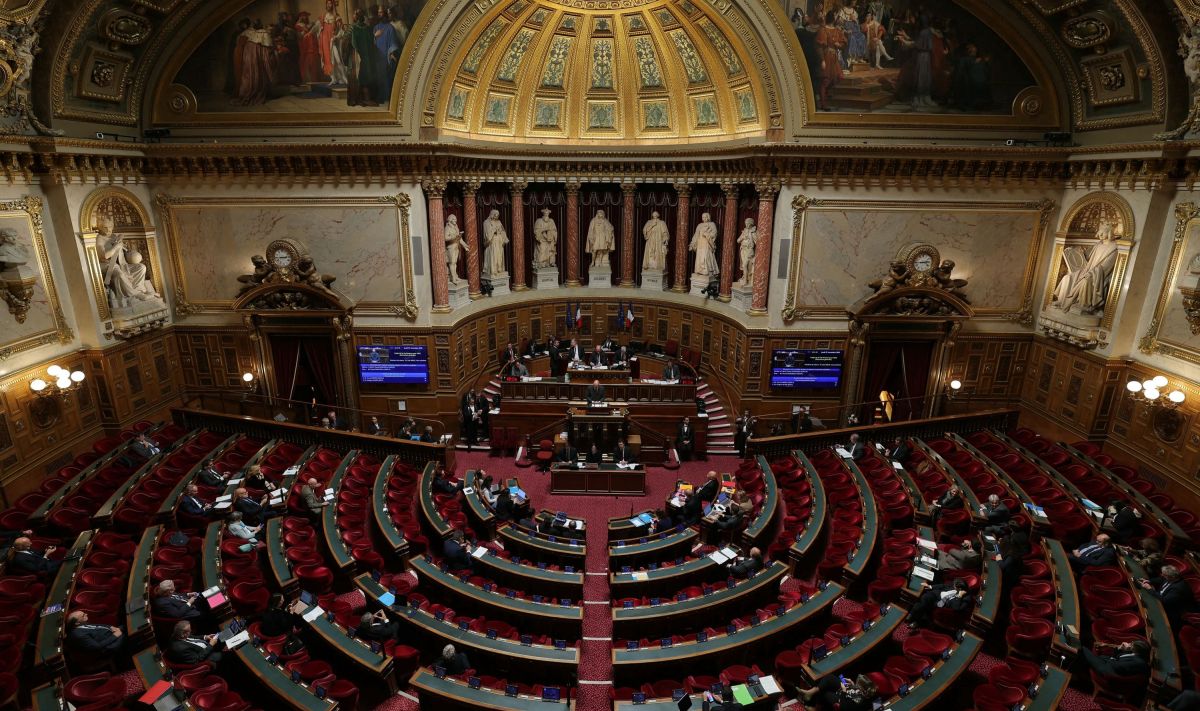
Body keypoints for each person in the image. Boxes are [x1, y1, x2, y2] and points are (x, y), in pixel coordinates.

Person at [1140, 564, 1195, 630]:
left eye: (1164, 575)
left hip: (1170, 610)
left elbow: (1164, 600)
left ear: (1171, 577)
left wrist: (1149, 589)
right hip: (1160, 598)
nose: (1162, 575)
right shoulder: (1172, 578)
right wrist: (1150, 581)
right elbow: (1161, 579)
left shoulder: (1178, 588)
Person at [907, 578, 971, 629]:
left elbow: (956, 608)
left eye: (954, 587)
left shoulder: (967, 598)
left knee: (922, 605)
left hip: (942, 604)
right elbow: (943, 585)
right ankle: (914, 618)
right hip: (936, 595)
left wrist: (959, 596)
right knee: (925, 599)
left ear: (959, 589)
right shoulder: (955, 584)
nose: (953, 586)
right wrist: (930, 586)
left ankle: (913, 617)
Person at [797, 674, 877, 711]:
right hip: (848, 692)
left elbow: (844, 706)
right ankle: (810, 692)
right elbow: (856, 693)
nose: (856, 685)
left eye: (858, 685)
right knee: (830, 678)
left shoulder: (861, 703)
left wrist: (844, 691)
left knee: (825, 693)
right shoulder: (863, 692)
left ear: (862, 690)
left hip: (843, 700)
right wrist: (852, 685)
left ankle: (816, 709)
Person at [1080, 639, 1151, 680]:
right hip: (1110, 663)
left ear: (1137, 649)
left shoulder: (1138, 662)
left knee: (1083, 649)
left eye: (1131, 644)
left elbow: (1117, 666)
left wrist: (1113, 657)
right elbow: (1119, 657)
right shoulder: (1135, 653)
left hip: (1109, 671)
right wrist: (1119, 648)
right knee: (1099, 656)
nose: (1129, 644)